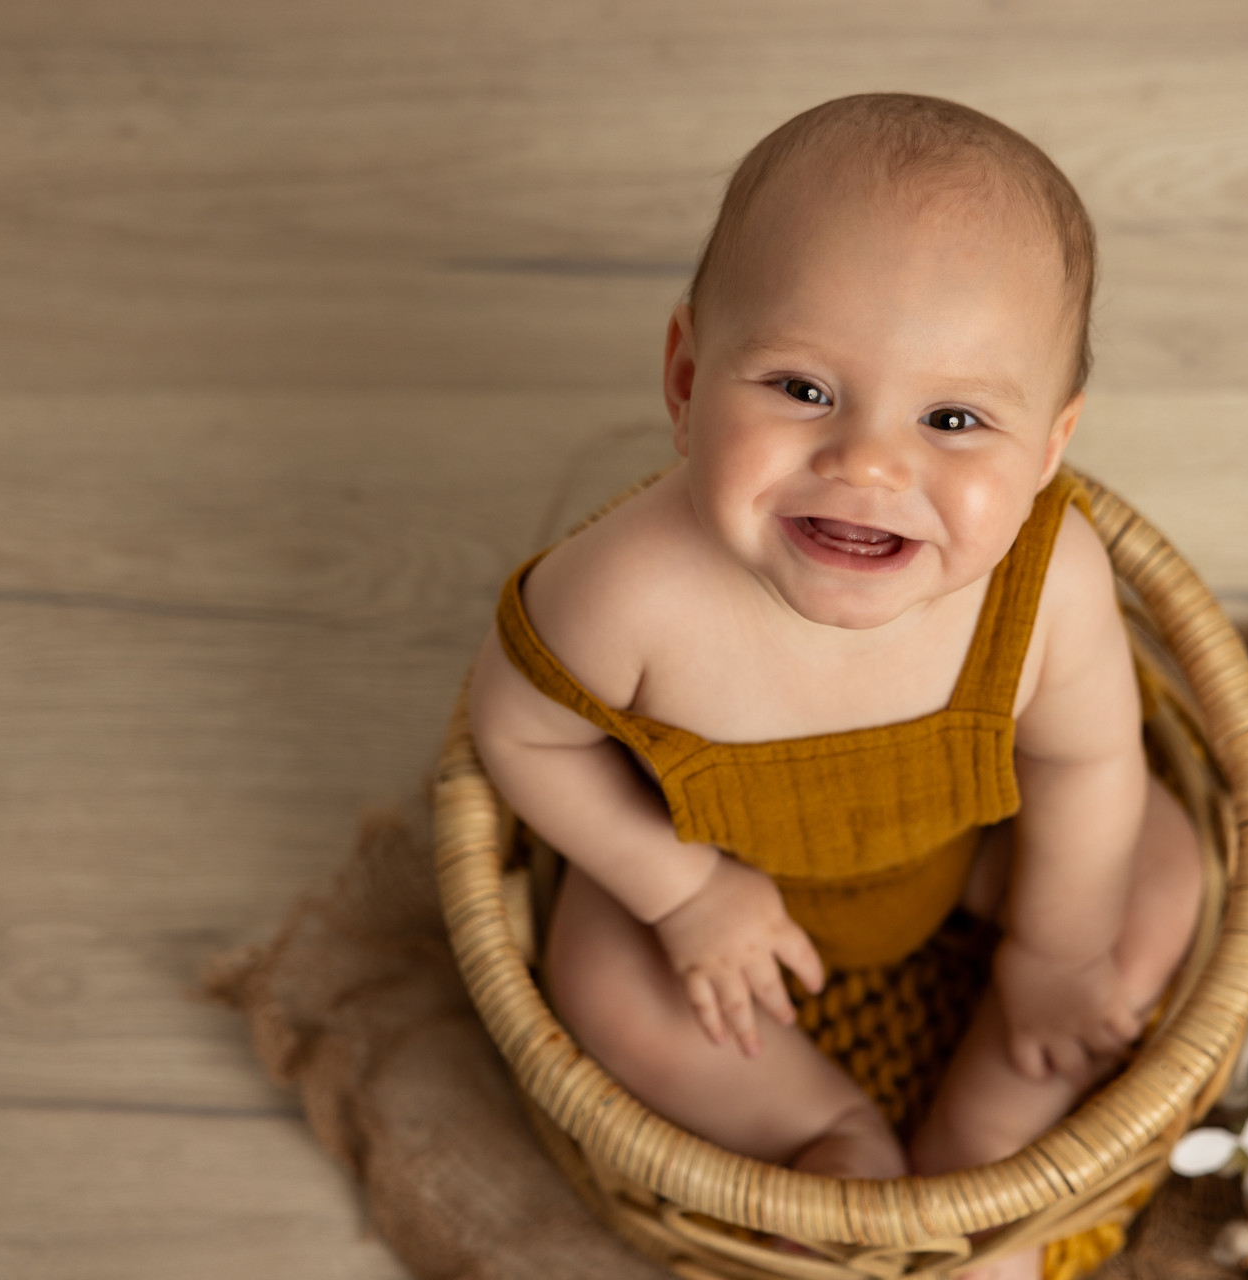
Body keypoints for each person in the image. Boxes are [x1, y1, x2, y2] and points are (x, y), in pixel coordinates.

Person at [467, 93, 1204, 1280]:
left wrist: (1053, 956)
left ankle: (986, 1126)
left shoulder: (1047, 577)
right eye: (803, 388)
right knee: (596, 978)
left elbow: (1087, 760)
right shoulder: (627, 590)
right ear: (686, 372)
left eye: (954, 417)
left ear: (1052, 446)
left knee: (1159, 865)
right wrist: (684, 891)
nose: (868, 462)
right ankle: (823, 1129)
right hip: (722, 883)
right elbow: (519, 734)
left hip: (965, 851)